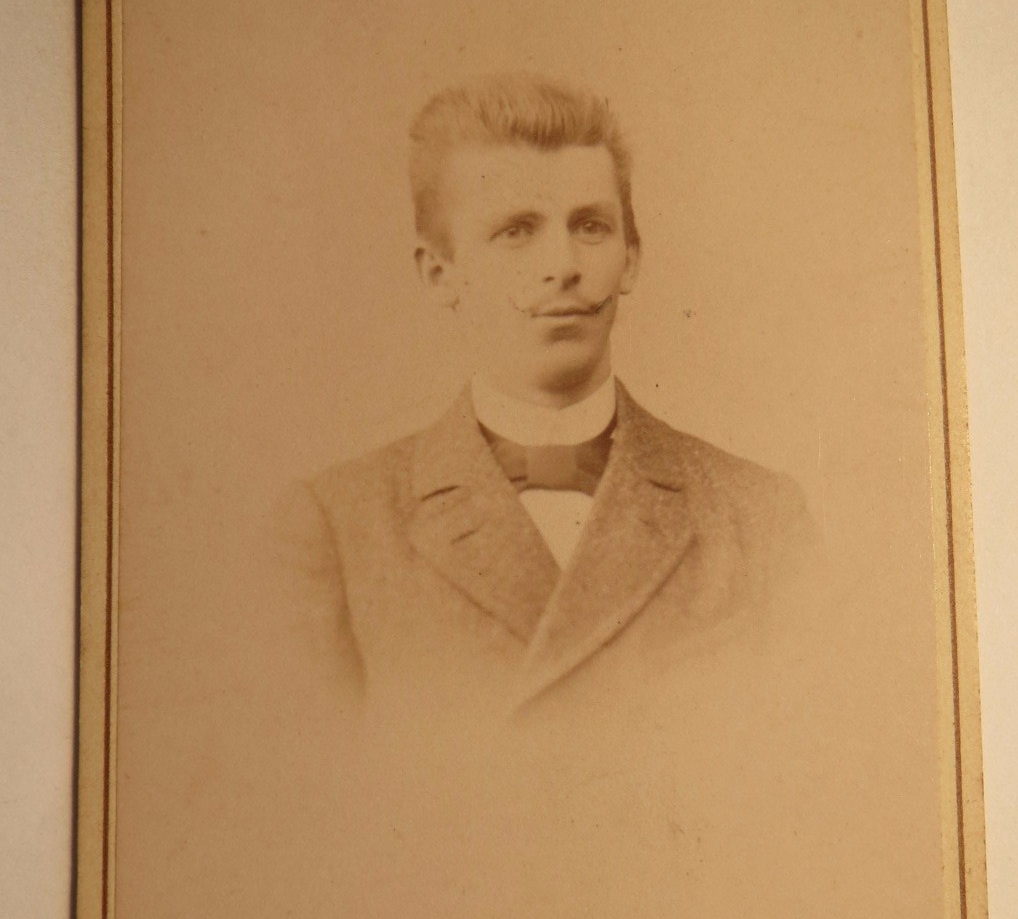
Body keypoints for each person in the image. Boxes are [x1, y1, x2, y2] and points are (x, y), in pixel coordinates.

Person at [281, 73, 813, 722]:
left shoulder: (758, 519)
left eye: (590, 226)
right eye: (517, 231)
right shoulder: (340, 529)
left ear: (632, 257)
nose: (562, 264)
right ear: (439, 272)